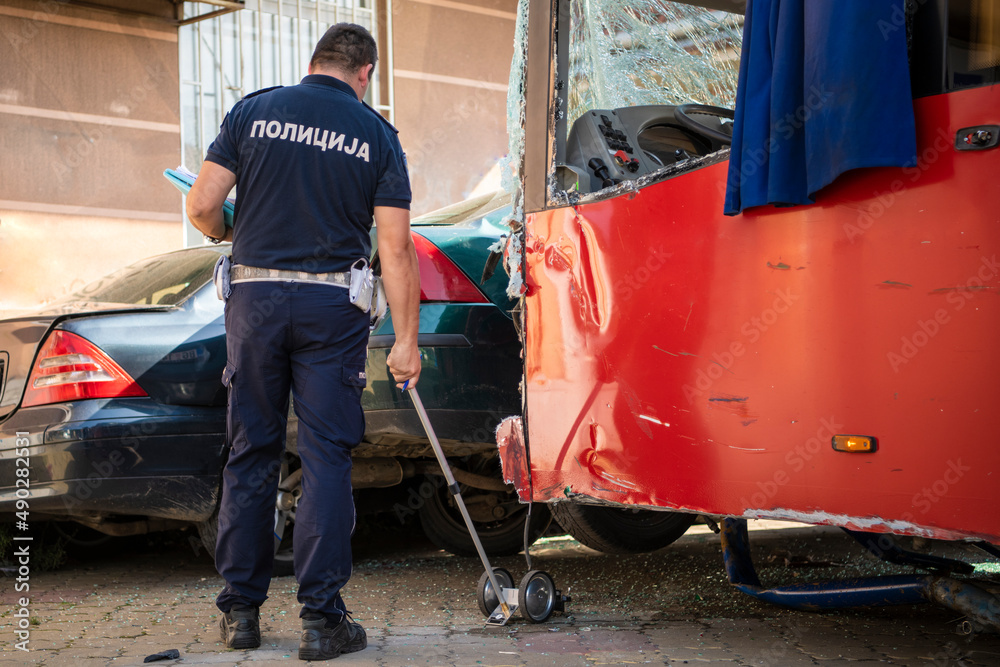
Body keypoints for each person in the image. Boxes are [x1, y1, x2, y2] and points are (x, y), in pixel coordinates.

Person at [185, 23, 421, 661]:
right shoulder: (376, 134)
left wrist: (226, 230)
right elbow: (395, 249)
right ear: (365, 73)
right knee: (324, 459)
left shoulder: (254, 111)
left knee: (251, 452)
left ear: (312, 62)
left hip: (256, 302)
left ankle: (240, 614)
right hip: (330, 306)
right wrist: (407, 340)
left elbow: (204, 206)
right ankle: (322, 620)